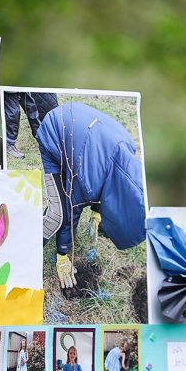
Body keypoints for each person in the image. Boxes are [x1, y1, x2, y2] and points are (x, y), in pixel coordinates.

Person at [37, 102, 147, 292]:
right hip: (55, 131)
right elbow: (74, 209)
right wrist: (63, 254)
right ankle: (28, 246)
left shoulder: (128, 151)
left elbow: (111, 181)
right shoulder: (89, 180)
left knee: (75, 188)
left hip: (79, 139)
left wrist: (96, 214)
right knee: (59, 214)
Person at [3, 91, 59, 160]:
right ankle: (9, 144)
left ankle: (42, 138)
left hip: (21, 85)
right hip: (10, 89)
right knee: (13, 114)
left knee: (31, 107)